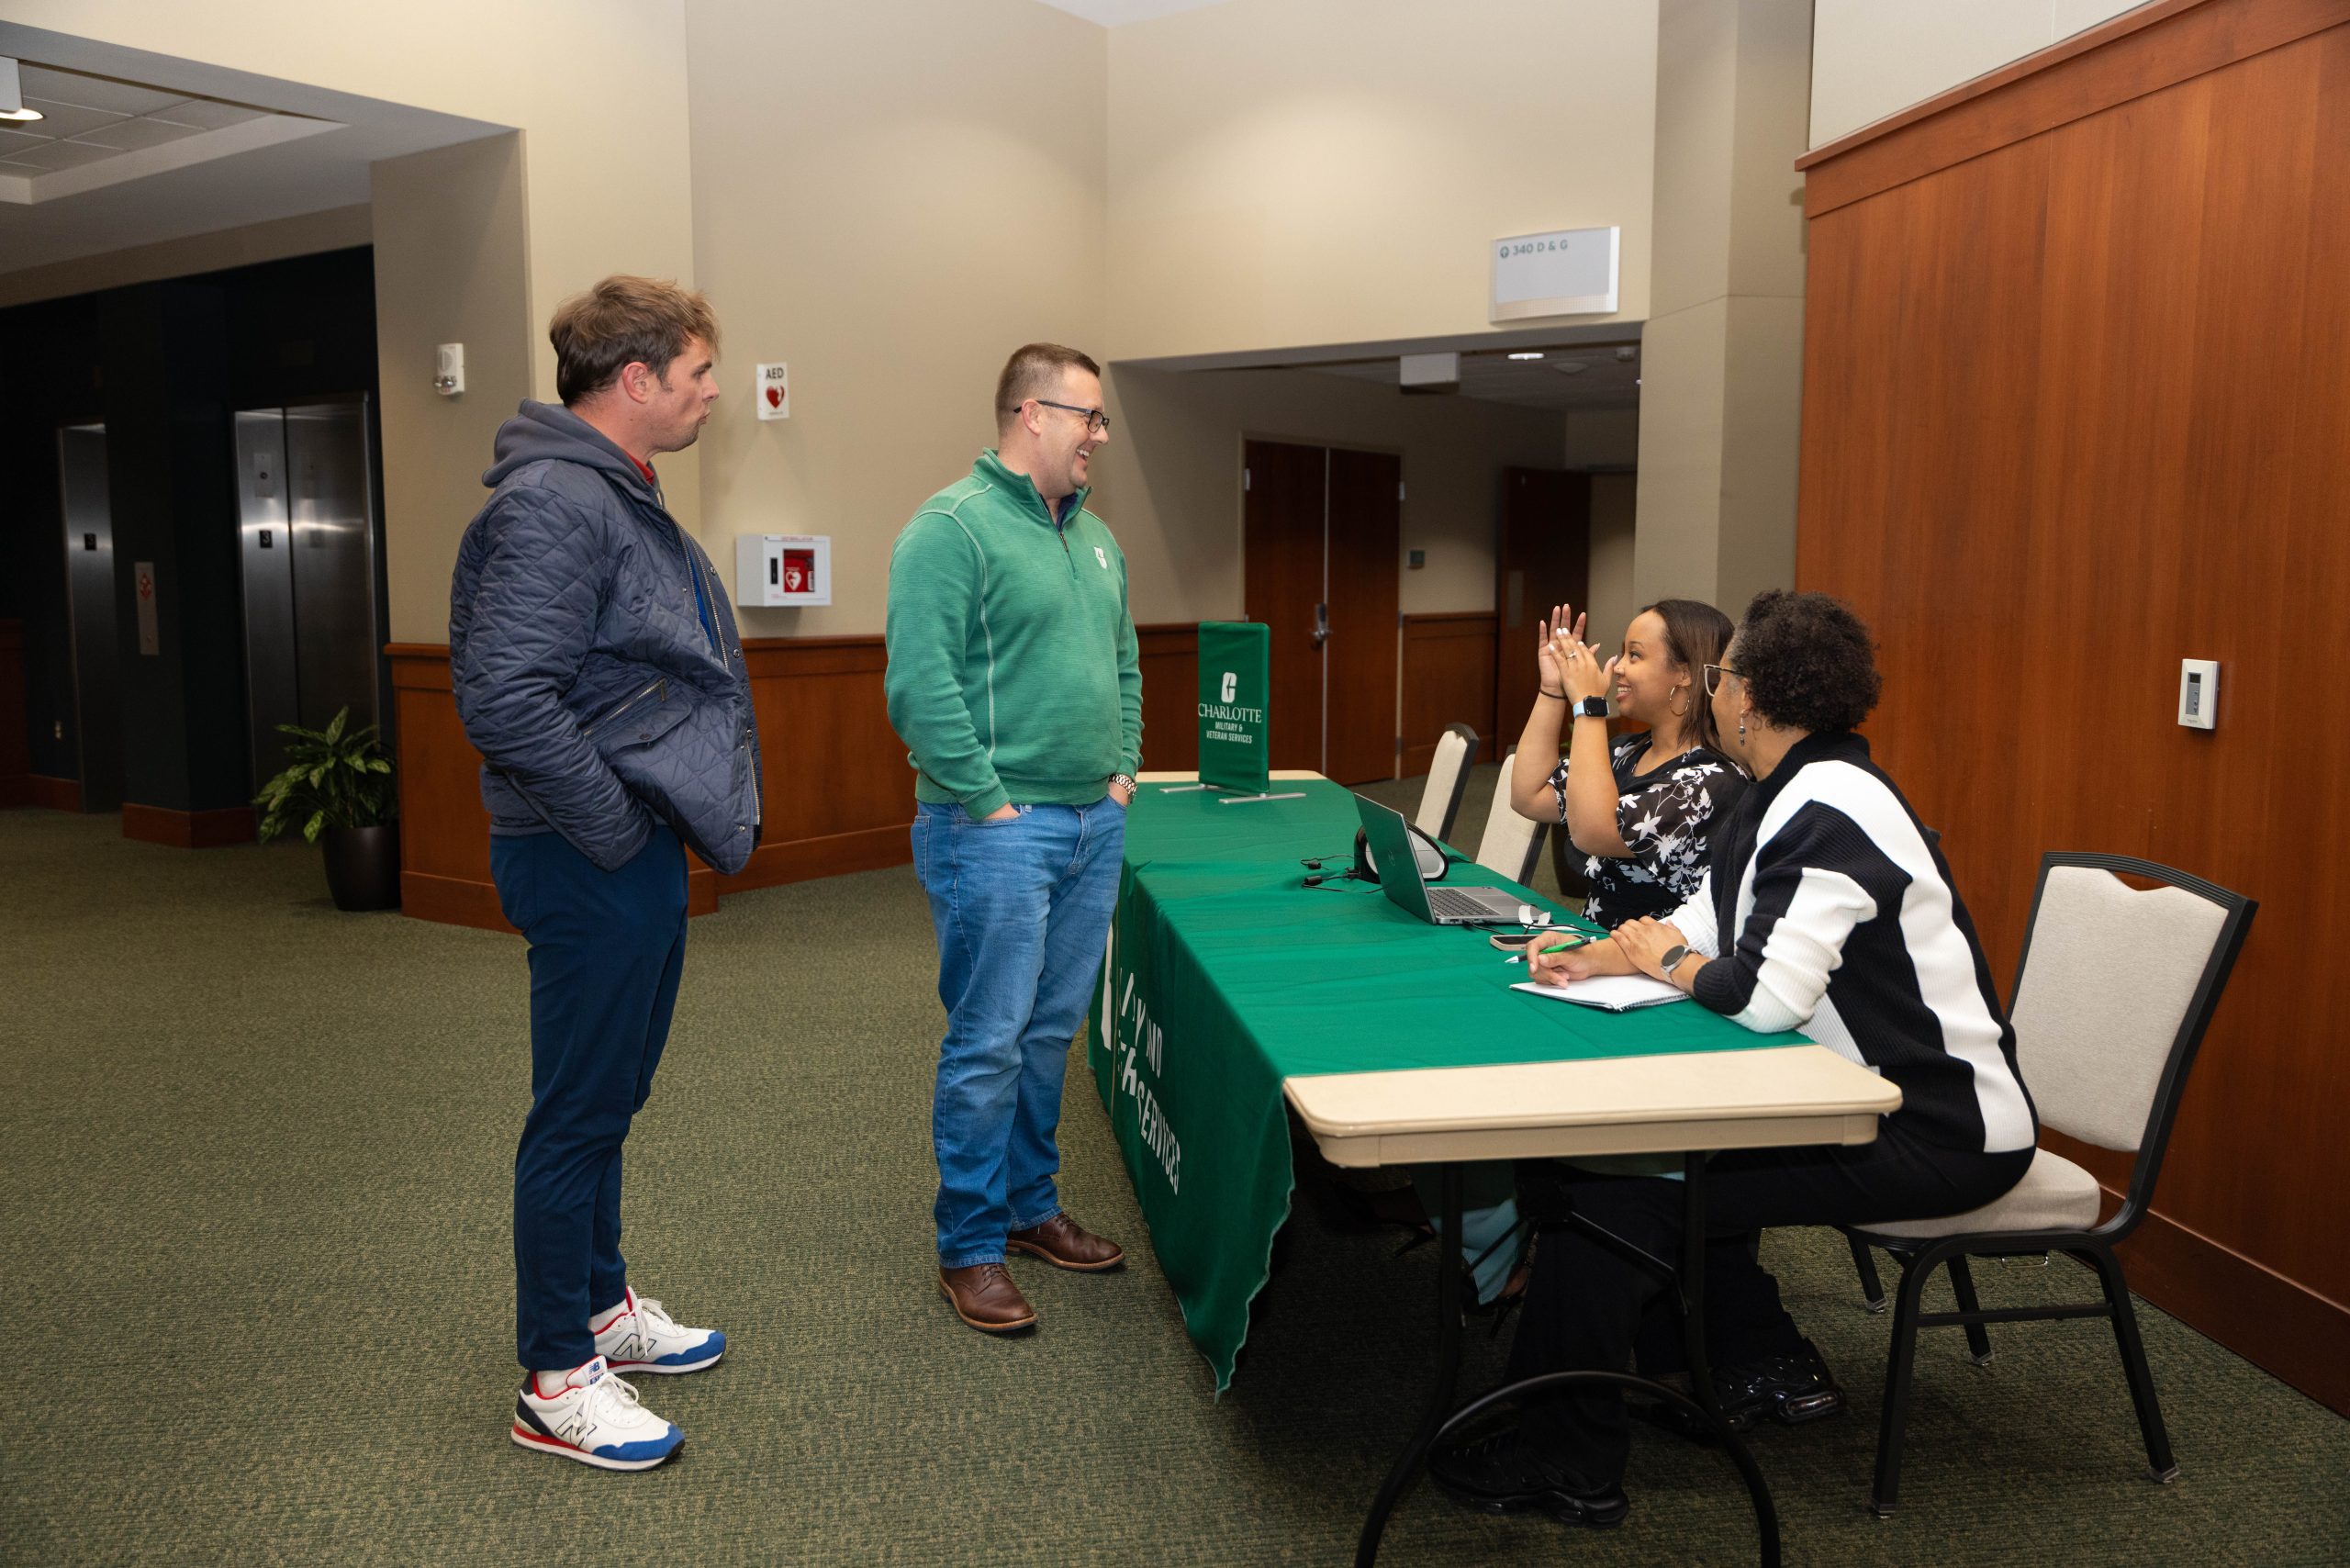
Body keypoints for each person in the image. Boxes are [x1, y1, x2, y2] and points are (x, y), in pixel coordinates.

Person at [1434, 588, 2037, 1529]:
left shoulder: (1829, 806)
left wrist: (1664, 961)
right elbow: (1703, 923)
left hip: (1937, 1126)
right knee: (1616, 1171)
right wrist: (1594, 954)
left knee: (1612, 1193)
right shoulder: (1786, 792)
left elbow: (1760, 996)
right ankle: (1722, 1360)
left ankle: (1569, 1460)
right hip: (1844, 1094)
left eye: (1725, 677)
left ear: (1745, 695)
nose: (1715, 692)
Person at [450, 275, 759, 1471]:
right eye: (695, 374)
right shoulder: (554, 505)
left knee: (610, 1097)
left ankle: (602, 1308)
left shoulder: (610, 490)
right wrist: (616, 828)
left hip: (623, 845)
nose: (711, 393)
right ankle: (553, 1374)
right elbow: (502, 697)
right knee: (576, 1114)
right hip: (586, 853)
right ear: (635, 381)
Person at [885, 342, 1143, 1335]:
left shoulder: (1099, 539)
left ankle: (1032, 1209)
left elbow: (1123, 665)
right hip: (992, 831)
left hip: (1091, 821)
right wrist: (989, 799)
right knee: (988, 1042)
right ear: (1032, 415)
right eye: (1089, 417)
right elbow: (920, 685)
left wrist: (1119, 775)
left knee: (1048, 1034)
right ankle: (970, 1245)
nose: (1100, 436)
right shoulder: (950, 528)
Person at [1507, 599, 1743, 929]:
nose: (1617, 667)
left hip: (1651, 968)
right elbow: (1528, 796)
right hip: (1596, 949)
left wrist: (1589, 706)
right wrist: (1552, 688)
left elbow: (1594, 832)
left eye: (1635, 655)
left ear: (1685, 673)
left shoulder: (1711, 782)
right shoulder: (1626, 752)